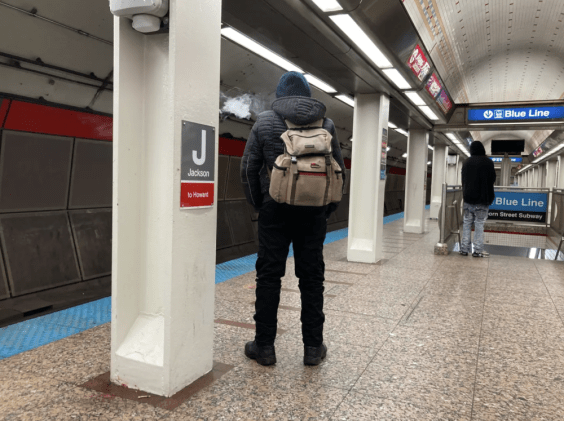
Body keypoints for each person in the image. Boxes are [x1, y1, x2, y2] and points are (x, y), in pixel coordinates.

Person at [240, 71, 345, 366]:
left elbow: (248, 168)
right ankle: (313, 348)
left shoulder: (265, 121)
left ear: (280, 95)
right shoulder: (327, 124)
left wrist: (260, 204)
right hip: (313, 213)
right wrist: (326, 208)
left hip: (274, 209)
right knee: (312, 279)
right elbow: (339, 171)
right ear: (308, 95)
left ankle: (264, 347)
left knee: (269, 276)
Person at [460, 141, 496, 257]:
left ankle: (464, 249)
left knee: (466, 224)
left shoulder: (466, 162)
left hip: (468, 198)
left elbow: (463, 180)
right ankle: (478, 251)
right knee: (479, 224)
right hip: (483, 199)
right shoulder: (488, 162)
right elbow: (492, 179)